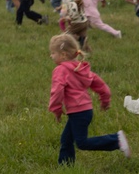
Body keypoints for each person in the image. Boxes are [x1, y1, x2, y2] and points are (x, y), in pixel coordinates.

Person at [47, 33, 130, 165]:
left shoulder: (60, 70)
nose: (51, 56)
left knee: (82, 143)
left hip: (78, 112)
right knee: (66, 139)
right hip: (85, 111)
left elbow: (56, 91)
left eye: (52, 53)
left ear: (63, 55)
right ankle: (65, 167)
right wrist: (105, 100)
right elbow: (101, 85)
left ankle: (116, 140)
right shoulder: (80, 68)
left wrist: (56, 109)